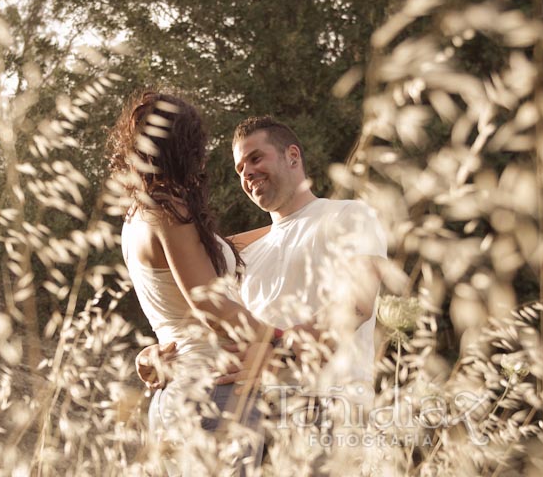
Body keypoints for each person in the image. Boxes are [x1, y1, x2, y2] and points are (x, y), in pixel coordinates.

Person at [138, 115, 388, 466]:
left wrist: (278, 354)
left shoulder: (350, 215)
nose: (247, 173)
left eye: (256, 158)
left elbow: (356, 304)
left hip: (329, 408)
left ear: (292, 156)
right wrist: (162, 353)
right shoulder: (241, 253)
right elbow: (214, 320)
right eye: (240, 168)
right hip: (253, 420)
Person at [109, 91, 279, 476]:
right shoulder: (170, 209)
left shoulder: (139, 215)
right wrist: (280, 339)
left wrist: (291, 224)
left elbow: (198, 273)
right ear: (187, 146)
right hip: (214, 392)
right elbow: (209, 304)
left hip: (177, 395)